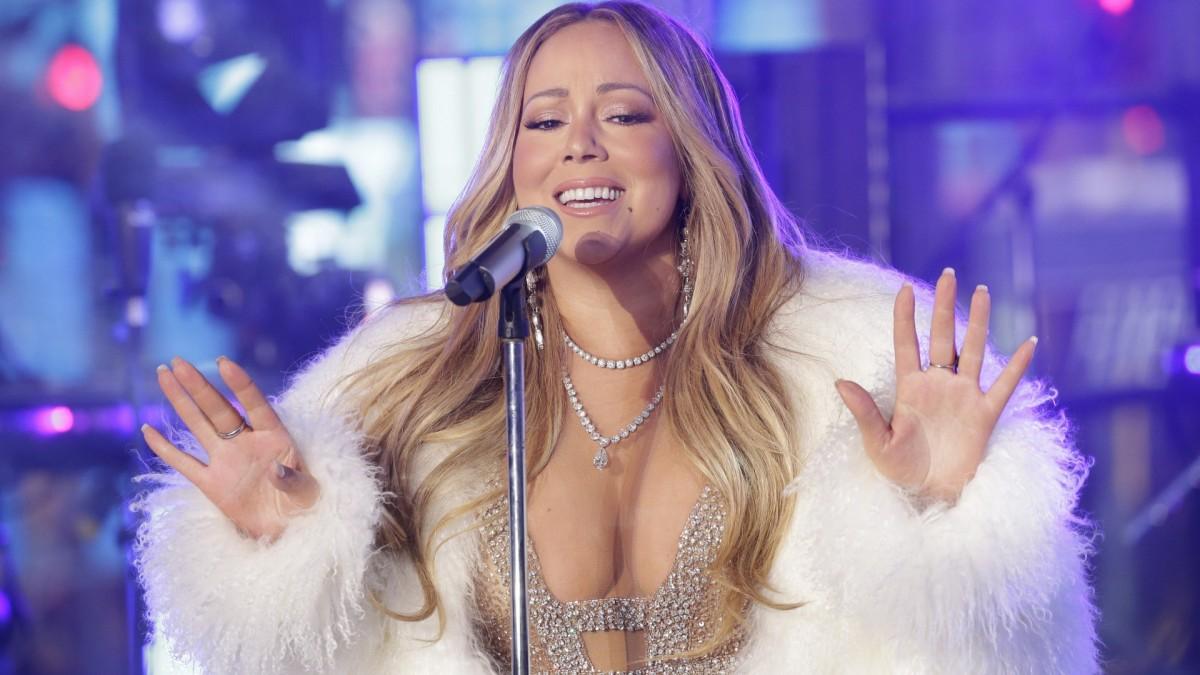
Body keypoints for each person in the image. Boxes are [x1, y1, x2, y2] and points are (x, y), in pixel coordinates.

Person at [133, 2, 1099, 673]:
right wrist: (286, 544)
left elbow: (983, 651)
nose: (579, 143)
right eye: (545, 119)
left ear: (689, 148)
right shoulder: (402, 388)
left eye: (625, 114)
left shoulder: (831, 363)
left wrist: (943, 519)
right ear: (511, 162)